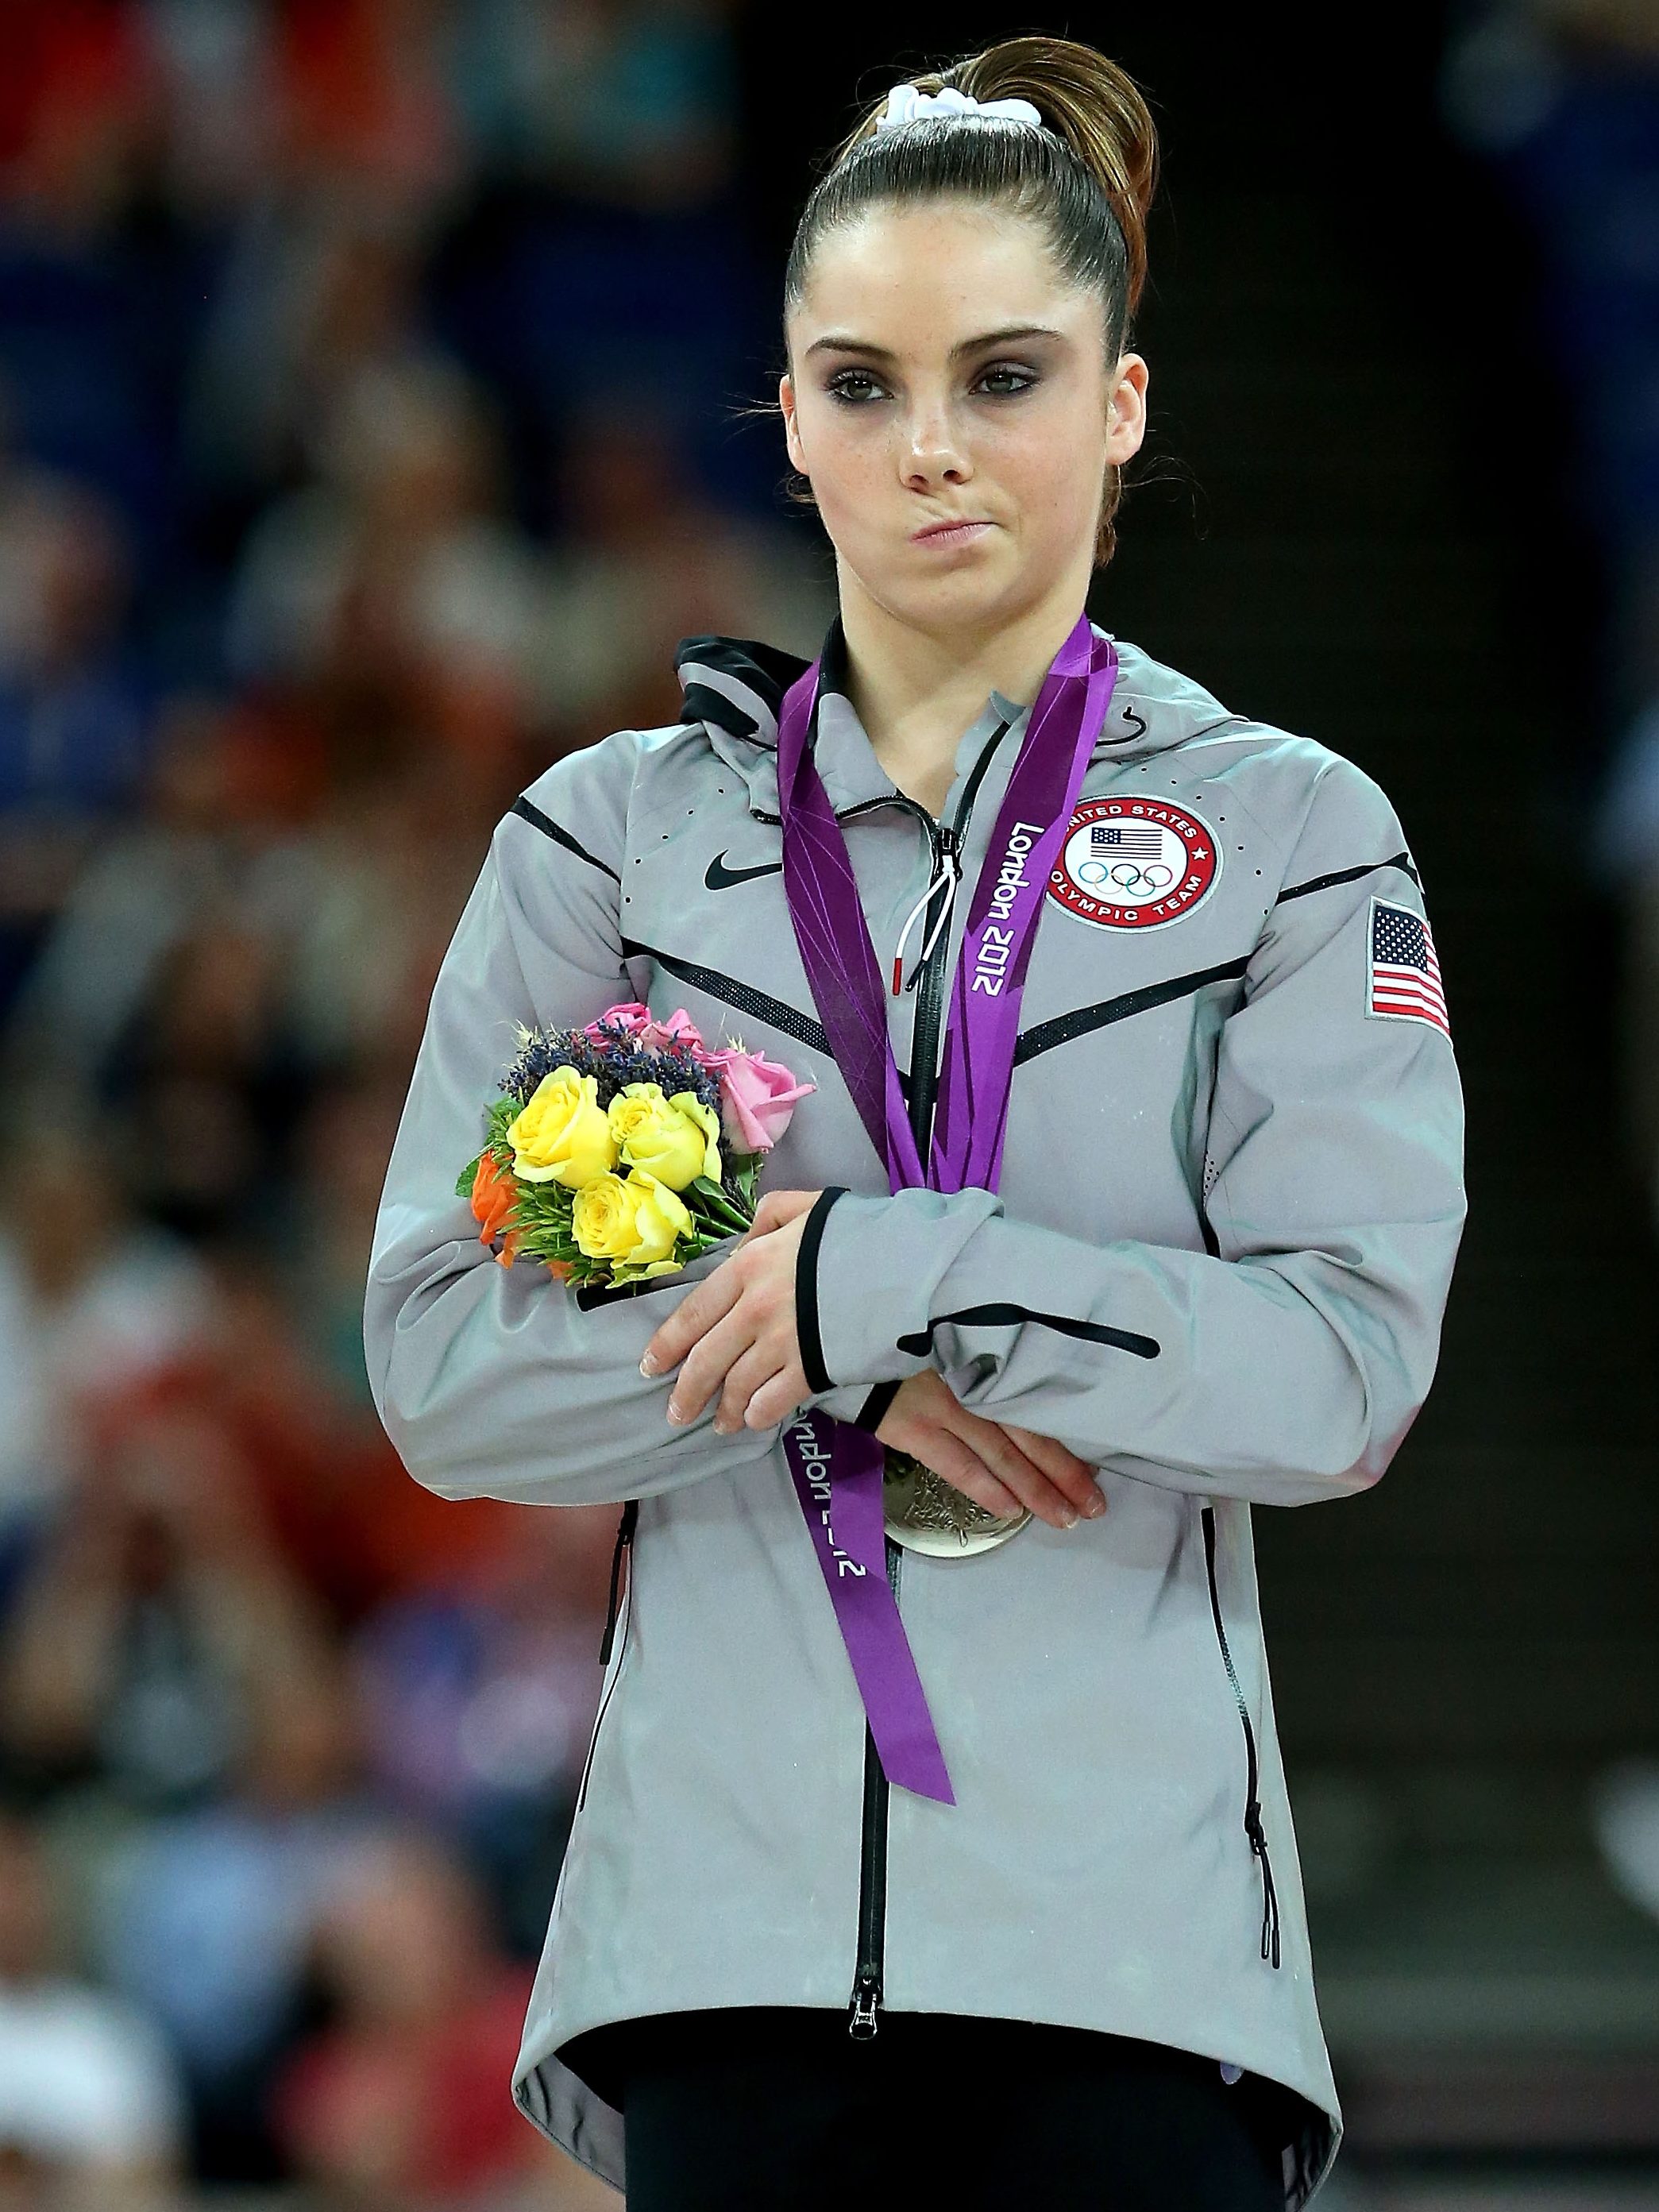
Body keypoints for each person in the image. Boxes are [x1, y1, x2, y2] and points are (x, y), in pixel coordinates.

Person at [364, 35, 1466, 2212]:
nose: (931, 448)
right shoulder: (620, 849)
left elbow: (1342, 1369)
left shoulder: (1286, 837)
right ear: (784, 422)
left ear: (1120, 405)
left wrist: (884, 1275)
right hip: (719, 1969)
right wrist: (852, 1357)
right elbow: (451, 1365)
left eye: (1006, 376)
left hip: (1128, 1971)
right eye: (859, 384)